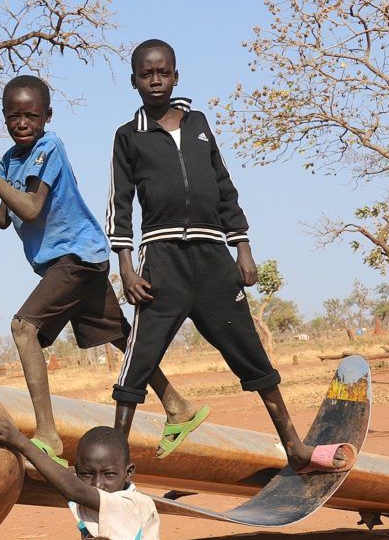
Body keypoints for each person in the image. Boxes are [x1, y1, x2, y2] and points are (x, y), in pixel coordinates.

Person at [107, 39, 356, 472]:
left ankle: (295, 447)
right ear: (134, 82)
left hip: (213, 259)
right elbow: (119, 203)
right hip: (162, 261)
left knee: (251, 353)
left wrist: (243, 247)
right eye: (146, 74)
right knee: (138, 361)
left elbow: (225, 188)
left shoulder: (199, 124)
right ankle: (113, 462)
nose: (155, 80)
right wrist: (126, 266)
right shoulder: (128, 137)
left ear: (176, 75)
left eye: (163, 72)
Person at [0, 75, 194, 461]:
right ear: (4, 117)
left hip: (76, 257)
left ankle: (48, 434)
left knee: (23, 329)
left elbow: (32, 208)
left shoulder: (49, 146)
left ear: (47, 116)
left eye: (31, 116)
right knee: (121, 336)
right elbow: (4, 217)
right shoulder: (9, 161)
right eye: (13, 116)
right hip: (74, 262)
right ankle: (177, 405)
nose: (22, 123)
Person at [0, 417, 163, 540]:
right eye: (87, 474)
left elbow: (73, 489)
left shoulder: (135, 506)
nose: (97, 484)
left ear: (129, 472)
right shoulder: (95, 503)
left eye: (108, 474)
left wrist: (20, 441)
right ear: (76, 471)